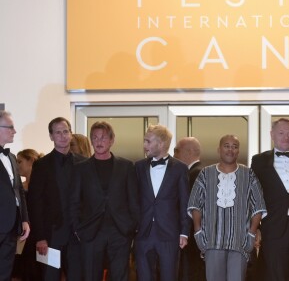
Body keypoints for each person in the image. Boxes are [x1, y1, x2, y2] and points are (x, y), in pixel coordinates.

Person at [188, 135, 266, 281]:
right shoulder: (205, 173)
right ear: (219, 149)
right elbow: (195, 204)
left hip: (240, 243)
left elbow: (258, 207)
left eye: (235, 146)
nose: (231, 150)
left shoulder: (249, 174)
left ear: (238, 151)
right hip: (212, 242)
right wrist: (198, 231)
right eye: (227, 145)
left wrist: (251, 234)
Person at [70, 121, 139, 281]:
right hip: (90, 232)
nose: (99, 142)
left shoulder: (126, 166)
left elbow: (133, 200)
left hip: (120, 231)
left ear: (112, 140)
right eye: (95, 138)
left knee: (120, 276)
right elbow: (74, 202)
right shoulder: (81, 168)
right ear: (91, 141)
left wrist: (132, 227)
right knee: (90, 276)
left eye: (103, 138)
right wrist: (78, 228)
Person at [27, 117, 86, 281]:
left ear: (71, 134)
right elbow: (35, 203)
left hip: (77, 236)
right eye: (58, 132)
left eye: (65, 131)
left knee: (77, 277)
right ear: (51, 136)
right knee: (49, 277)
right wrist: (40, 237)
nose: (62, 136)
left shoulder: (85, 163)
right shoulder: (41, 165)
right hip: (50, 236)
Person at [135, 124, 190, 281]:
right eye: (144, 141)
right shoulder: (138, 167)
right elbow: (134, 199)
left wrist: (184, 232)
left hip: (169, 233)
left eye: (148, 141)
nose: (145, 145)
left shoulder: (180, 168)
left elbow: (184, 201)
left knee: (169, 276)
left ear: (162, 143)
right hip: (143, 232)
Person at [251, 117, 289, 280]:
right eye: (281, 133)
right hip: (272, 229)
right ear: (272, 135)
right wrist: (255, 226)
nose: (286, 137)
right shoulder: (258, 161)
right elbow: (253, 196)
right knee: (274, 275)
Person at [0, 110, 30, 280]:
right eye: (10, 127)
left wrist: (24, 219)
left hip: (11, 228)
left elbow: (19, 192)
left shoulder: (11, 157)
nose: (14, 131)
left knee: (5, 272)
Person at [174, 137, 205, 281]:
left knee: (190, 274)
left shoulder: (192, 175)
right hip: (197, 239)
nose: (174, 155)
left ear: (188, 152)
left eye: (176, 151)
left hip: (192, 238)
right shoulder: (202, 172)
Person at [12, 149, 44, 281]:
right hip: (22, 237)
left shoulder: (43, 186)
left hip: (38, 236)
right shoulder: (18, 187)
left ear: (31, 160)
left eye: (20, 161)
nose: (17, 165)